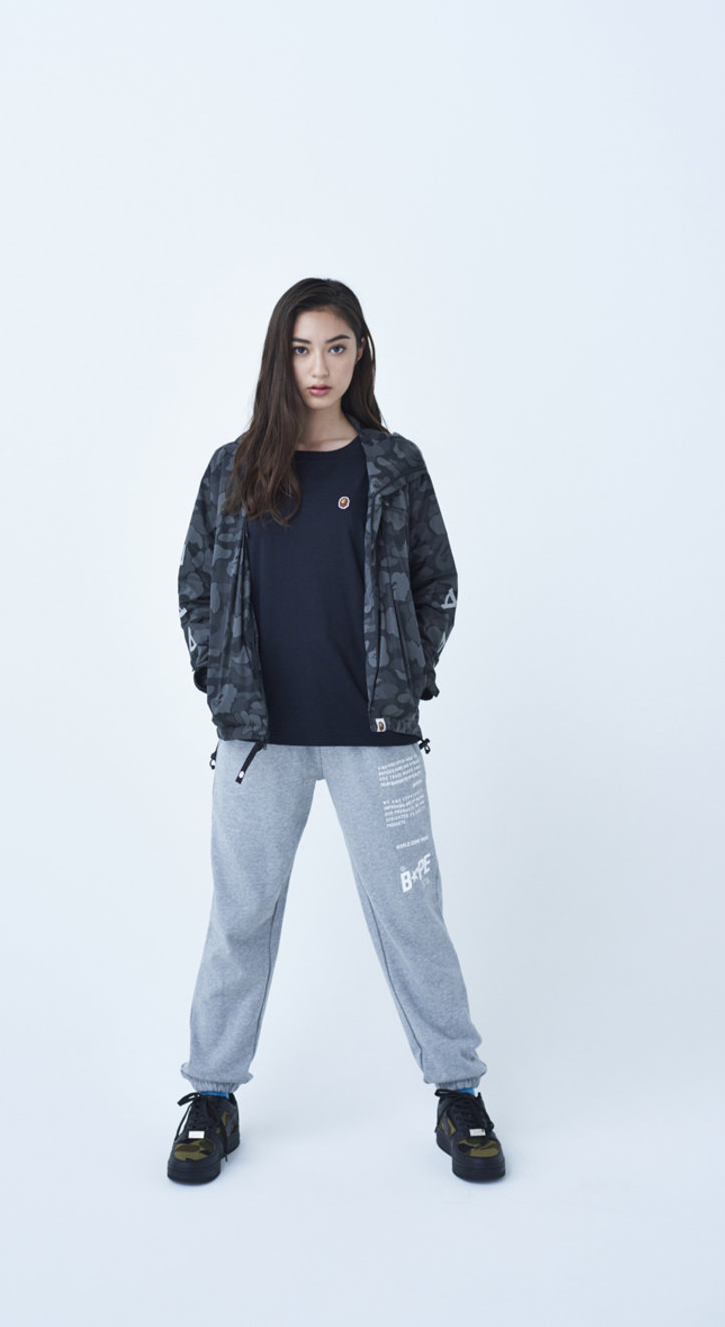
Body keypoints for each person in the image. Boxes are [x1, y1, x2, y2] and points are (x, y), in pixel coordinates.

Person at [170, 277, 505, 1186]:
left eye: (336, 346)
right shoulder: (235, 466)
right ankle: (211, 1094)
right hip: (258, 741)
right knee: (241, 913)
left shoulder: (393, 465)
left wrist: (406, 671)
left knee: (411, 913)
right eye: (301, 348)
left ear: (360, 354)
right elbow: (194, 584)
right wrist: (218, 681)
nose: (318, 366)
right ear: (279, 358)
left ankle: (459, 1089)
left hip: (376, 735)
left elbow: (437, 580)